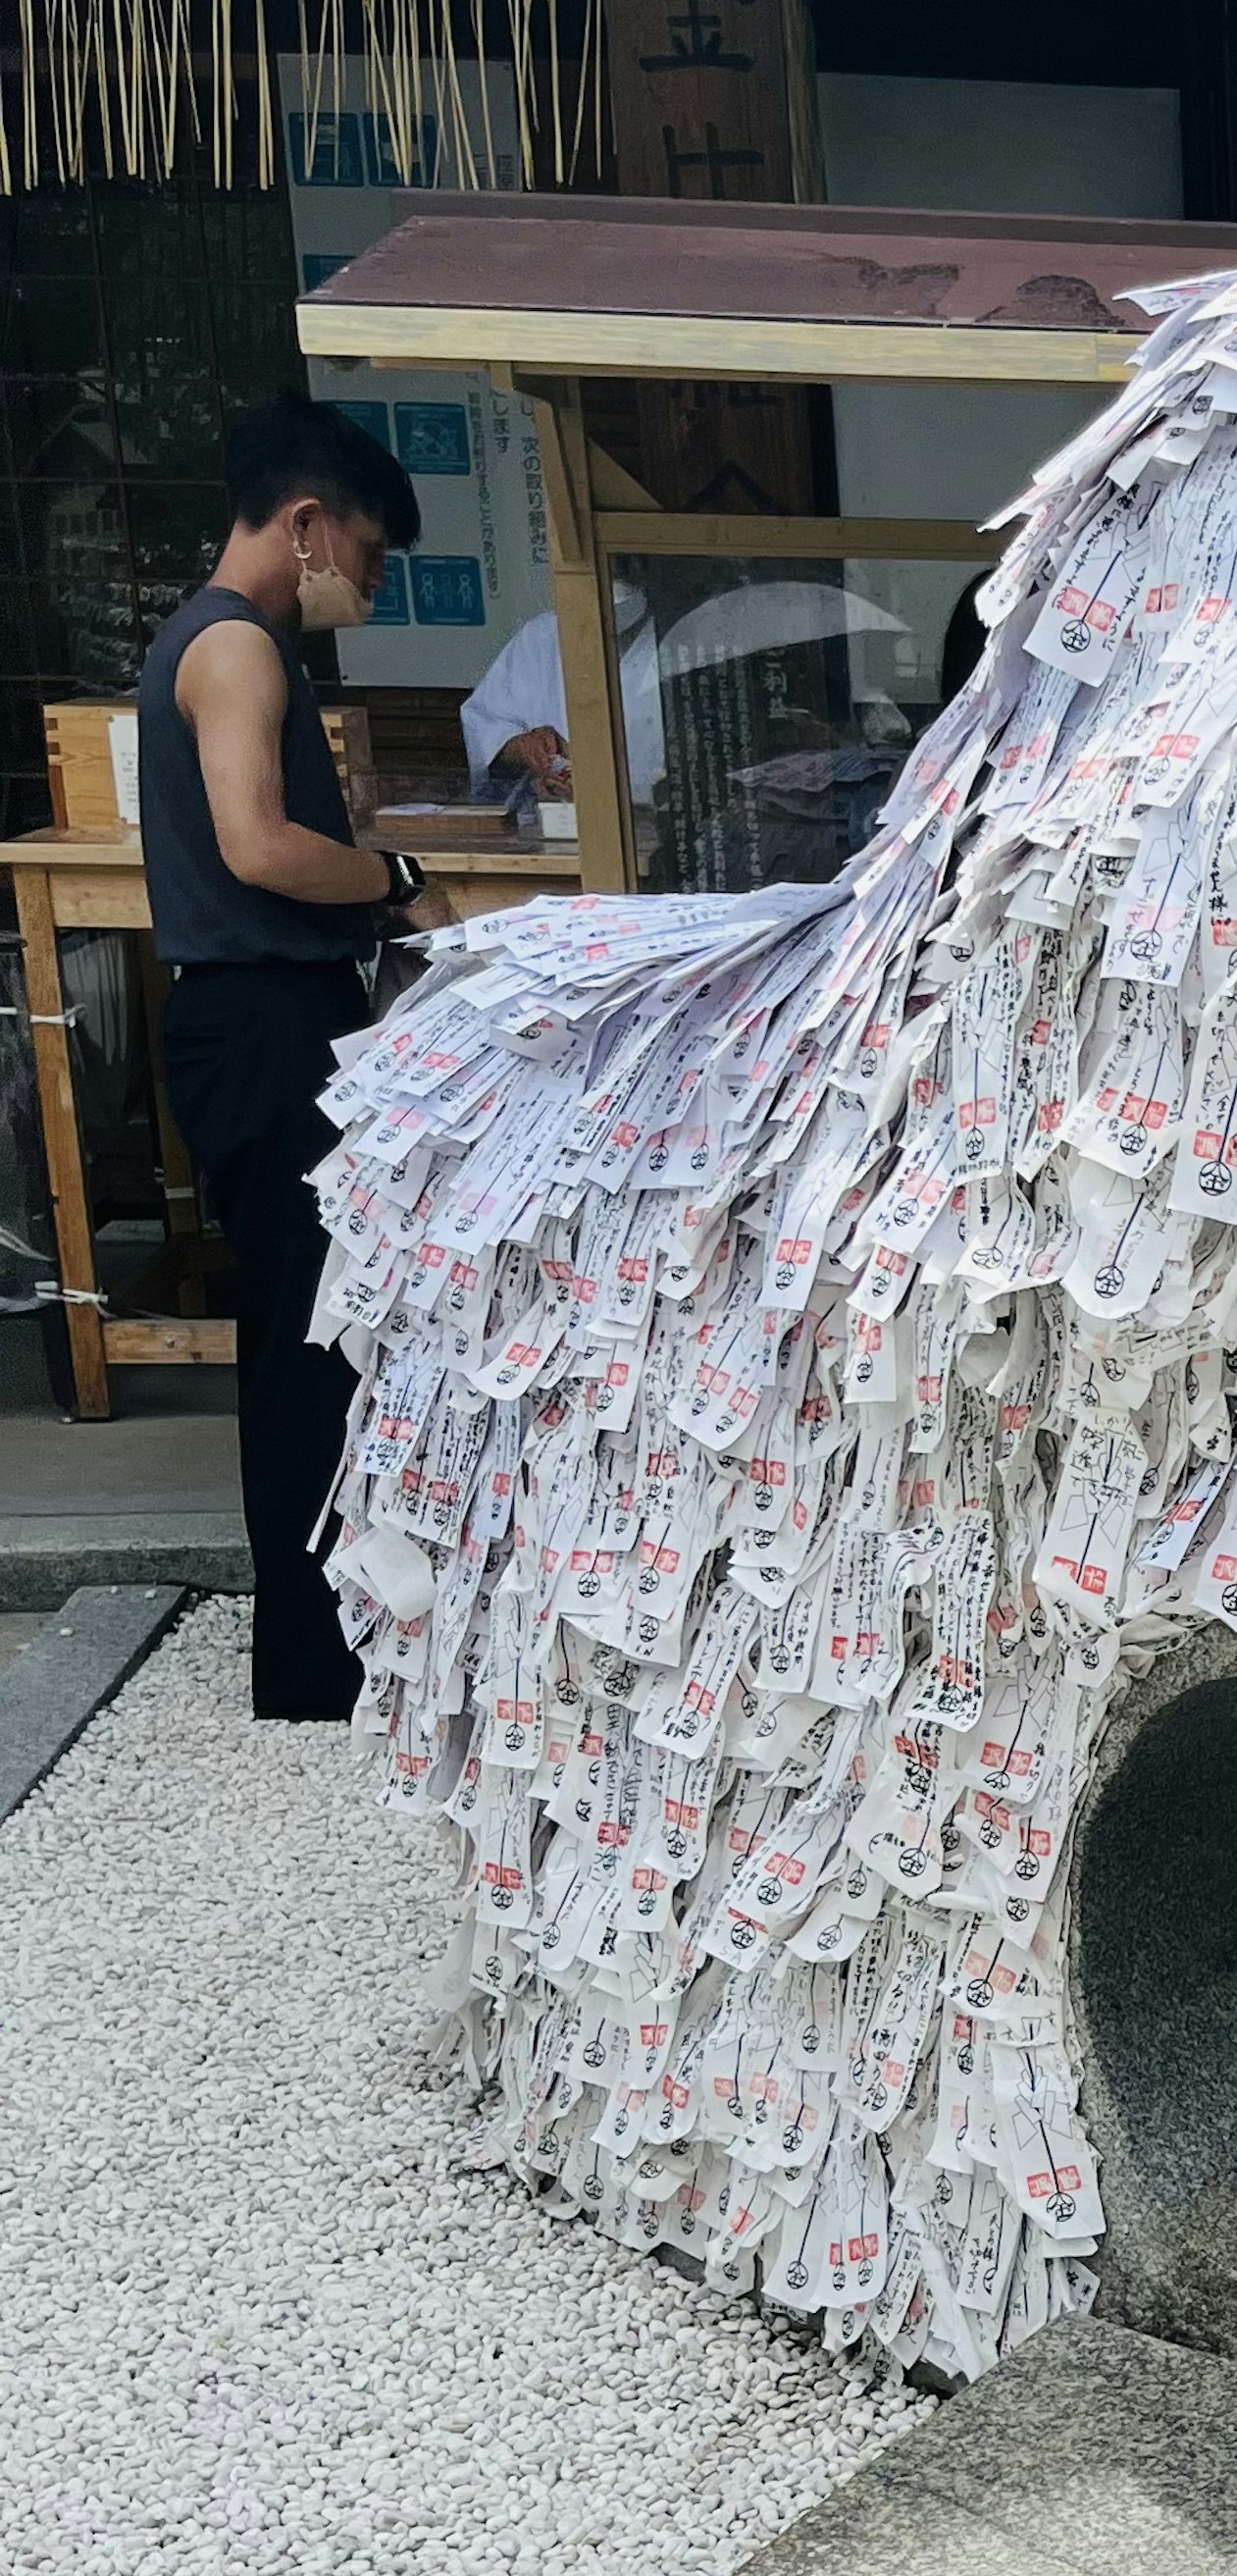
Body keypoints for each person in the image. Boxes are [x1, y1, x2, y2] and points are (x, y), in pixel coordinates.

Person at [133, 399, 433, 1723]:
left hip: (263, 1016)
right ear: (305, 523)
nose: (360, 585)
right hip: (261, 1023)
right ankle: (316, 1667)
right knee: (309, 1343)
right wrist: (396, 877)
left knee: (321, 1331)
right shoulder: (236, 648)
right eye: (363, 556)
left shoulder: (225, 646)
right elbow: (258, 846)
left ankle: (336, 1637)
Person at [457, 590, 666, 808]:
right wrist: (521, 745)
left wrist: (595, 784)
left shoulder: (674, 645)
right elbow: (485, 726)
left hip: (641, 819)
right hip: (549, 816)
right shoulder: (541, 635)